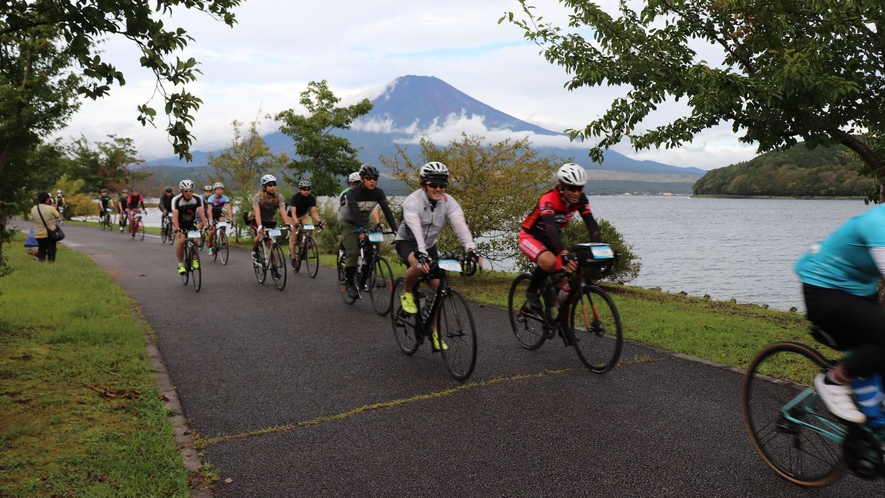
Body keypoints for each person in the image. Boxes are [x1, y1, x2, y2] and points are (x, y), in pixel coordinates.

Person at [795, 204, 885, 425]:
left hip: (860, 291)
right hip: (824, 289)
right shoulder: (876, 222)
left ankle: (868, 440)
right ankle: (833, 380)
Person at [395, 162, 481, 350]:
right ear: (424, 184)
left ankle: (434, 332)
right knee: (418, 266)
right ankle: (407, 292)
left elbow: (460, 226)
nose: (438, 189)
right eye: (433, 184)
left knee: (438, 287)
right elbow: (414, 230)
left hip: (430, 245)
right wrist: (422, 255)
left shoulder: (449, 202)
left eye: (442, 185)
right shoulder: (412, 201)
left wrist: (471, 249)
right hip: (407, 241)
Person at [519, 163, 601, 312]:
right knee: (550, 262)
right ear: (561, 186)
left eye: (580, 188)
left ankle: (553, 318)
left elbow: (591, 223)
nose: (576, 193)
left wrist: (600, 247)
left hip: (551, 240)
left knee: (563, 278)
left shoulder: (581, 200)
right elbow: (550, 227)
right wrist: (563, 252)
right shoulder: (549, 199)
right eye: (572, 188)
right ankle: (531, 291)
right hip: (530, 236)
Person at [338, 164, 398, 300]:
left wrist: (395, 229)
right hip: (348, 222)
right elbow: (354, 211)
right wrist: (359, 229)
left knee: (373, 247)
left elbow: (387, 211)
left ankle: (364, 276)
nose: (372, 181)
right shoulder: (353, 193)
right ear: (362, 179)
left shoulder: (378, 193)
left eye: (375, 178)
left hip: (365, 221)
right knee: (353, 252)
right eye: (369, 178)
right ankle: (350, 284)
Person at [249, 175, 292, 278]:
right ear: (264, 187)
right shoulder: (258, 197)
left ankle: (274, 268)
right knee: (260, 236)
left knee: (272, 244)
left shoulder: (279, 197)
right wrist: (259, 226)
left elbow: (282, 211)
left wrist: (287, 223)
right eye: (270, 185)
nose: (273, 187)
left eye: (274, 184)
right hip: (257, 220)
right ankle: (255, 249)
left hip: (270, 221)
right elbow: (257, 212)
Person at [171, 180, 206, 274]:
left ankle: (194, 259)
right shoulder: (176, 200)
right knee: (181, 241)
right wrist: (177, 229)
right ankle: (180, 264)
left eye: (190, 190)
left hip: (192, 222)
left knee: (195, 240)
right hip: (179, 223)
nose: (188, 193)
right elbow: (175, 216)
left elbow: (202, 214)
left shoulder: (197, 198)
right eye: (186, 191)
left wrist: (206, 226)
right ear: (182, 191)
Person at [288, 180, 324, 270]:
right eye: (304, 189)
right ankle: (293, 259)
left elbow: (314, 212)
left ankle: (306, 241)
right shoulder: (295, 198)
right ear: (300, 190)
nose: (306, 191)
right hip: (293, 217)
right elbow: (293, 212)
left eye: (308, 189)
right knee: (293, 240)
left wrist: (320, 222)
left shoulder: (311, 198)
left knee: (310, 226)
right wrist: (296, 223)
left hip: (304, 215)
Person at [31, 192, 60, 262]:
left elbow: (33, 217)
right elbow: (57, 215)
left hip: (38, 232)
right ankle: (51, 262)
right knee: (51, 248)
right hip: (50, 233)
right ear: (47, 199)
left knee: (41, 248)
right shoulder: (50, 208)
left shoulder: (34, 208)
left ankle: (41, 261)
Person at [206, 182, 233, 255]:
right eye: (217, 189)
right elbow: (210, 210)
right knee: (212, 231)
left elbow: (228, 209)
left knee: (223, 222)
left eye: (220, 189)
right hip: (211, 213)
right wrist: (211, 221)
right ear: (215, 190)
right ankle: (210, 246)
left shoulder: (225, 198)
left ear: (223, 190)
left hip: (218, 213)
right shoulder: (211, 198)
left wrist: (231, 219)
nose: (219, 191)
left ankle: (222, 237)